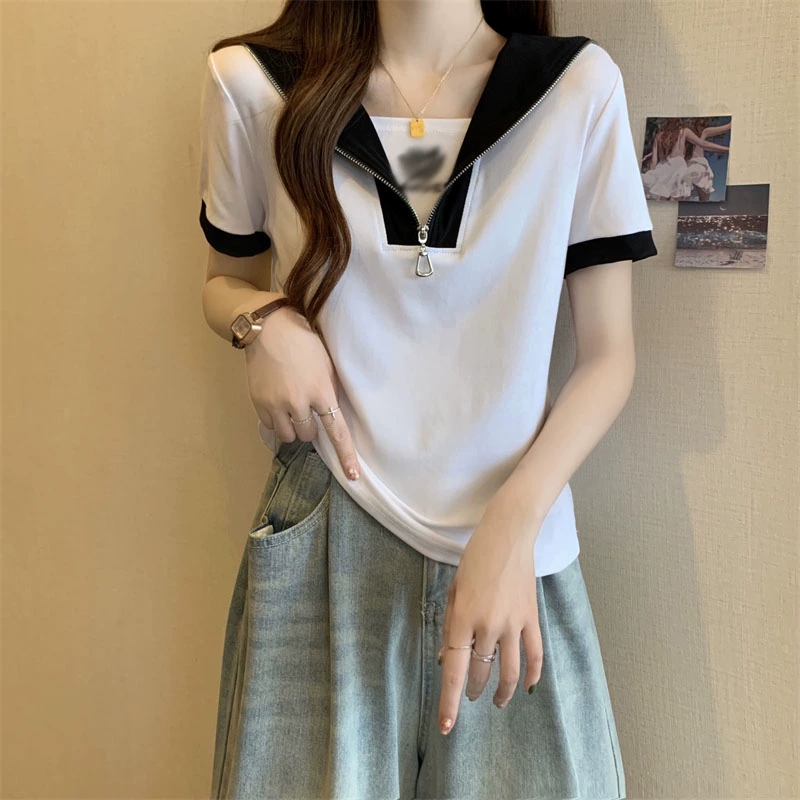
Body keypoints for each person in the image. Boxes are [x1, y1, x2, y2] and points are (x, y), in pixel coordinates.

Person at [197, 1, 658, 798]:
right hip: (325, 532)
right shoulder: (256, 85)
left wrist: (513, 528)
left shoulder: (575, 89)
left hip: (516, 553)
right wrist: (262, 324)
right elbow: (221, 282)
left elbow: (609, 357)